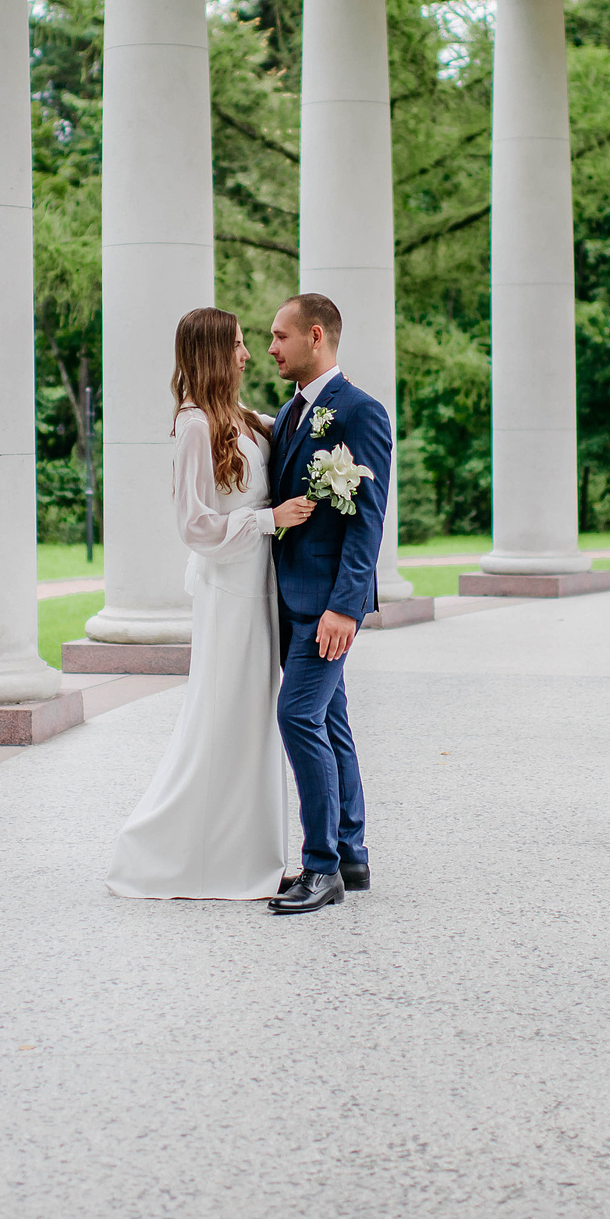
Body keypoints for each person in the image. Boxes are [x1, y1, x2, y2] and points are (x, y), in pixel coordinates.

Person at [106, 308, 316, 899]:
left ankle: (249, 856)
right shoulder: (194, 425)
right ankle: (184, 855)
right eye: (239, 345)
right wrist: (268, 519)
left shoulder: (242, 417)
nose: (249, 355)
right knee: (227, 717)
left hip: (259, 586)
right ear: (213, 353)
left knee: (253, 721)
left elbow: (300, 426)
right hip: (229, 591)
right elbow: (195, 526)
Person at [262, 293, 393, 916]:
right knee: (329, 720)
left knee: (297, 717)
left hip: (327, 606)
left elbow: (368, 521)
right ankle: (350, 854)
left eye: (279, 336)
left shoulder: (360, 412)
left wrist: (345, 607)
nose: (271, 347)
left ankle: (321, 868)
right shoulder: (291, 414)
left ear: (315, 336)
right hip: (288, 597)